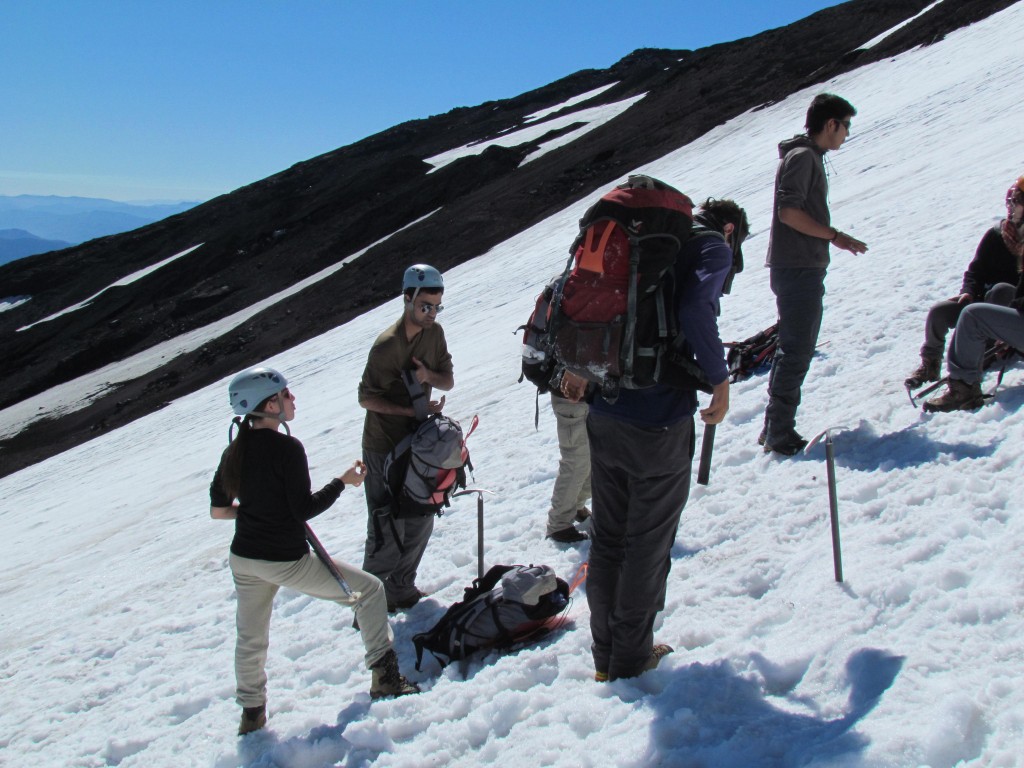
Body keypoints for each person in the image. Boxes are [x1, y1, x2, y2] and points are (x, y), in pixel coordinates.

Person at [560, 197, 749, 682]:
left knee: (608, 538)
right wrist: (720, 378)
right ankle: (630, 658)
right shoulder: (711, 246)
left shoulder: (643, 239)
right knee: (647, 544)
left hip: (606, 409)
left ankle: (607, 656)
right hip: (659, 420)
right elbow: (695, 306)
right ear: (730, 229)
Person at [209, 367, 418, 736]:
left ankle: (252, 713)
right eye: (287, 394)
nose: (292, 399)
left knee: (250, 638)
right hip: (284, 559)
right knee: (369, 592)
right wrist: (344, 481)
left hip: (244, 560)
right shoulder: (288, 449)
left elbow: (219, 510)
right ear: (269, 404)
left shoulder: (235, 451)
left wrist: (256, 511)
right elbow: (303, 510)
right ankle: (385, 680)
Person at [762, 93, 868, 456]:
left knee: (791, 347)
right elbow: (789, 212)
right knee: (797, 349)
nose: (846, 134)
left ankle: (773, 427)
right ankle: (779, 432)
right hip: (798, 268)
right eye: (845, 126)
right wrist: (835, 236)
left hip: (795, 266)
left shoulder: (805, 156)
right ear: (831, 124)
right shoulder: (805, 157)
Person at [358, 264, 454, 611]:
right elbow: (366, 398)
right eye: (424, 306)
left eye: (436, 307)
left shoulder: (435, 334)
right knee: (386, 523)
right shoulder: (387, 346)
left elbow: (447, 380)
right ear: (407, 299)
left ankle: (401, 588)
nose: (430, 313)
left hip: (417, 442)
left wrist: (428, 374)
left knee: (420, 515)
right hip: (382, 445)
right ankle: (370, 604)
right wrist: (410, 411)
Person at [905, 179, 1021, 389]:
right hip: (982, 301)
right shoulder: (997, 235)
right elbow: (975, 270)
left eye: (1017, 201)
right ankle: (930, 363)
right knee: (939, 312)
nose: (1011, 206)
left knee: (1002, 290)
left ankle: (986, 352)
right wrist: (967, 292)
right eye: (1011, 201)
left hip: (1010, 309)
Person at [545, 390, 592, 543]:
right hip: (572, 398)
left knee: (592, 460)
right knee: (576, 463)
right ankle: (559, 524)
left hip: (585, 395)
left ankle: (575, 506)